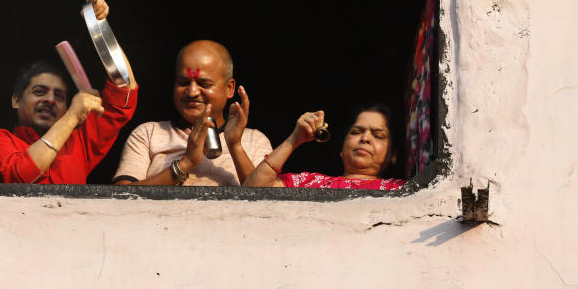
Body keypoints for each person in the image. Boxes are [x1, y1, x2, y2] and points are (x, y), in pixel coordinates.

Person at [0, 0, 138, 184]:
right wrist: (72, 116)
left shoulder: (79, 144)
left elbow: (124, 92)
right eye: (39, 91)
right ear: (16, 100)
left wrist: (99, 27)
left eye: (59, 96)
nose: (50, 100)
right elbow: (18, 177)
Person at [112, 40, 272, 186]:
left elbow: (271, 203)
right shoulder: (148, 134)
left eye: (204, 84)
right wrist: (186, 163)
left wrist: (235, 146)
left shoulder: (254, 140)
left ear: (229, 88)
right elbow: (121, 197)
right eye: (183, 83)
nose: (192, 92)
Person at [244, 104, 406, 190]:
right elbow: (253, 190)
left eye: (378, 135)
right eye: (357, 131)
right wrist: (295, 138)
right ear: (342, 149)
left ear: (393, 154)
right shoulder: (310, 182)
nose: (365, 138)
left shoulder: (405, 190)